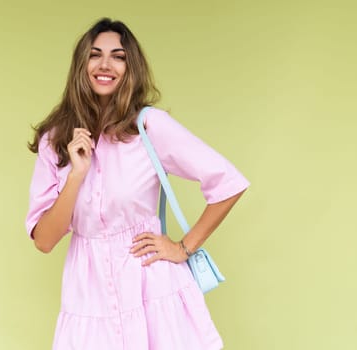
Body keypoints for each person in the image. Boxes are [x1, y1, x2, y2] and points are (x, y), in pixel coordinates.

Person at [25, 17, 249, 350]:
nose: (105, 65)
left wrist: (182, 248)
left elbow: (229, 182)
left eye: (118, 56)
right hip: (88, 296)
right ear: (81, 64)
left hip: (152, 287)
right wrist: (76, 175)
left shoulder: (150, 126)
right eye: (95, 54)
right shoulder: (55, 141)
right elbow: (44, 241)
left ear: (131, 68)